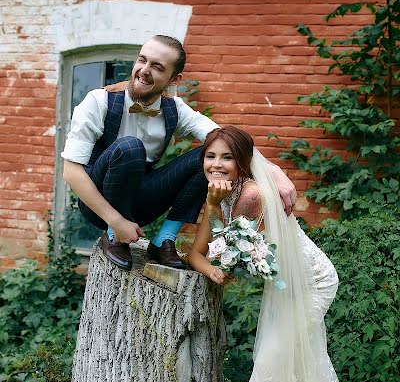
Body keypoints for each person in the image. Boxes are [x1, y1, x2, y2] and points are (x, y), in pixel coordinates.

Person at [188, 126, 347, 382]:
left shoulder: (252, 196)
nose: (217, 164)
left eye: (227, 157)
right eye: (210, 156)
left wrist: (212, 253)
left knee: (270, 367)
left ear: (242, 163)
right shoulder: (218, 195)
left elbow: (220, 250)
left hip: (313, 284)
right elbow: (199, 252)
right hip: (284, 288)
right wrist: (211, 212)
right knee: (282, 365)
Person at [62, 34, 297, 271]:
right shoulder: (99, 101)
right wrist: (115, 221)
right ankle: (114, 236)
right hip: (98, 203)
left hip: (141, 201)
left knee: (208, 156)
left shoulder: (174, 109)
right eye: (142, 60)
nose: (144, 70)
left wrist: (272, 170)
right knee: (130, 147)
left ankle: (164, 239)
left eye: (157, 67)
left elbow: (225, 139)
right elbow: (71, 173)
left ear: (174, 79)